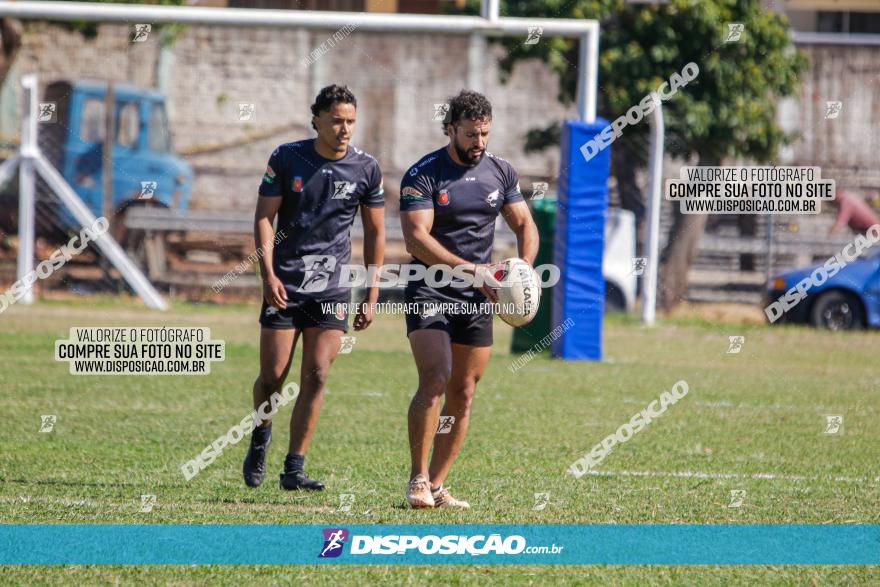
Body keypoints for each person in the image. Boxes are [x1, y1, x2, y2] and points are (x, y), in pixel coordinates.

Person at [398, 90, 539, 508]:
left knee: (464, 392)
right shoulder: (423, 174)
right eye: (471, 134)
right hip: (429, 287)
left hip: (480, 295)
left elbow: (525, 223)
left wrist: (523, 270)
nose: (479, 142)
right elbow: (416, 240)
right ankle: (418, 479)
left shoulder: (501, 172)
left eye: (485, 134)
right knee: (436, 378)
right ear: (450, 129)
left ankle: (438, 486)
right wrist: (473, 271)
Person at [243, 84, 385, 491]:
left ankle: (294, 468)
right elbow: (263, 218)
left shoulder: (366, 168)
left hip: (332, 288)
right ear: (317, 120)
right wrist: (267, 275)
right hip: (284, 284)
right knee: (272, 376)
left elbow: (376, 233)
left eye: (351, 122)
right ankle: (260, 433)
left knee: (318, 374)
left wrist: (372, 291)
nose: (345, 129)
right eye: (337, 120)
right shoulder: (287, 158)